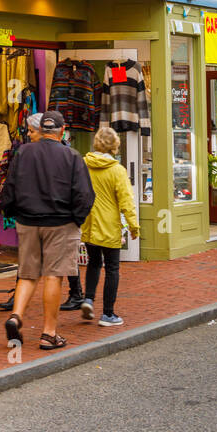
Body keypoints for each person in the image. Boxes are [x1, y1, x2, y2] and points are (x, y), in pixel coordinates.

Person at [0, 108, 95, 350]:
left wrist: (12, 212)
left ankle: (16, 315)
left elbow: (9, 186)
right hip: (60, 223)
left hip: (28, 221)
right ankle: (49, 333)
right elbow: (84, 194)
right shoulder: (72, 156)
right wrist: (77, 219)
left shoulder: (23, 152)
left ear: (42, 130)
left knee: (28, 274)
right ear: (62, 131)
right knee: (54, 275)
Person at [80, 126, 139, 327]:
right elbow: (126, 201)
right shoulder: (117, 170)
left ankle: (88, 299)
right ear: (114, 146)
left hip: (89, 223)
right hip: (109, 225)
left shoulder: (83, 165)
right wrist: (134, 226)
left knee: (93, 263)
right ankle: (108, 313)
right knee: (112, 268)